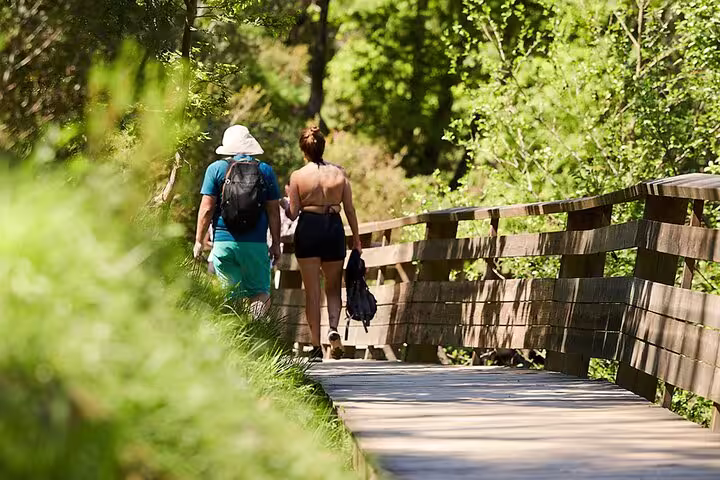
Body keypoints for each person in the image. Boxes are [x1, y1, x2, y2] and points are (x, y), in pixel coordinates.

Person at [281, 126, 361, 362]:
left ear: (303, 150)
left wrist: (285, 202)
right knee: (333, 286)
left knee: (312, 291)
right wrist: (356, 239)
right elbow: (350, 209)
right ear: (323, 147)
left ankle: (315, 345)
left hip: (309, 229)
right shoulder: (339, 174)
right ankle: (333, 328)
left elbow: (294, 213)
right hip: (333, 228)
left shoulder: (297, 176)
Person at [193, 125, 281, 316]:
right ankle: (254, 329)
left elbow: (207, 209)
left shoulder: (215, 169)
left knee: (230, 295)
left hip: (224, 242)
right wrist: (276, 243)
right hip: (256, 243)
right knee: (259, 292)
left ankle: (235, 338)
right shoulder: (265, 170)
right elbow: (274, 211)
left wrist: (199, 241)